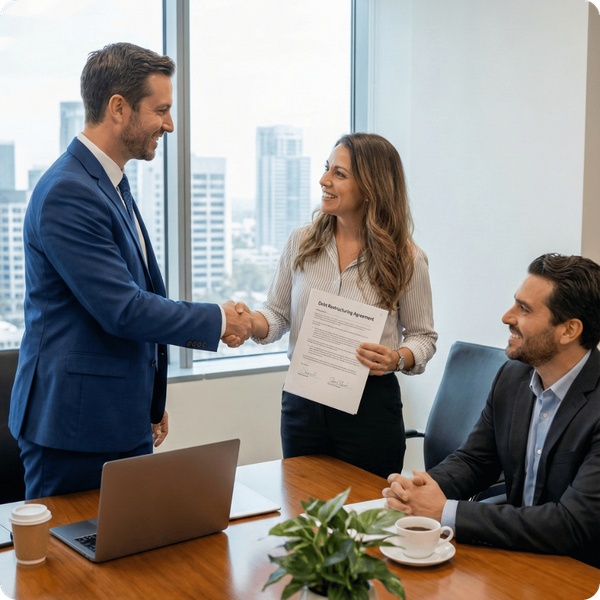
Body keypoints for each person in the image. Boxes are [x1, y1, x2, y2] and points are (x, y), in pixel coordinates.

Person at [9, 43, 252, 499]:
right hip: (74, 429)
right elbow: (123, 309)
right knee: (65, 568)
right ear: (118, 108)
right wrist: (219, 320)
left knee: (131, 558)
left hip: (118, 417)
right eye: (160, 110)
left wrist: (150, 401)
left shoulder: (108, 181)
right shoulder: (69, 192)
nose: (170, 124)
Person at [224, 133, 437, 478]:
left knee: (365, 518)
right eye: (327, 169)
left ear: (371, 186)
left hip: (370, 408)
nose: (324, 180)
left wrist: (397, 357)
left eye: (339, 174)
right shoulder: (301, 242)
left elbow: (423, 337)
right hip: (303, 403)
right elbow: (277, 314)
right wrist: (251, 323)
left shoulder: (407, 258)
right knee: (304, 512)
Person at [383, 253, 600, 567]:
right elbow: (475, 460)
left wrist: (445, 512)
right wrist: (420, 491)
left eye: (524, 309)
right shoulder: (513, 377)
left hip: (580, 570)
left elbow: (572, 524)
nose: (506, 317)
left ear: (569, 330)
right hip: (516, 555)